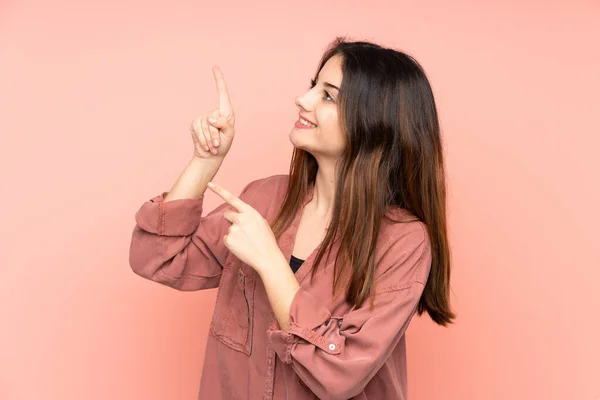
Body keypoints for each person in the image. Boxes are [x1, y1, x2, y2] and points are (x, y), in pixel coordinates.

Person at [129, 36, 455, 400]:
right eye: (313, 85)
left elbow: (339, 373)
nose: (303, 99)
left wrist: (270, 263)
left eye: (328, 95)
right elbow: (157, 259)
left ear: (375, 122)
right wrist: (205, 162)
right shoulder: (265, 199)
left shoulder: (404, 242)